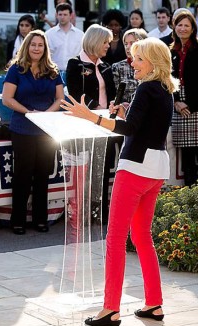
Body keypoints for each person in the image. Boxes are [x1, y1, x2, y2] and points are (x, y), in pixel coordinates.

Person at [61, 37, 179, 326]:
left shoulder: (146, 88)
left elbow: (130, 128)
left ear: (153, 61)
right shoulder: (165, 90)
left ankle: (110, 308)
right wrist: (125, 112)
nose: (133, 63)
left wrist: (91, 117)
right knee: (141, 237)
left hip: (135, 168)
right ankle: (154, 303)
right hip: (155, 168)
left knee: (115, 238)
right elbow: (142, 125)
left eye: (138, 58)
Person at [1, 30, 64, 235]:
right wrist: (30, 113)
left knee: (42, 175)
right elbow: (7, 99)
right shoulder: (16, 70)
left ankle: (40, 219)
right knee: (22, 175)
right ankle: (17, 220)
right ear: (26, 46)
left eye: (40, 45)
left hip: (46, 130)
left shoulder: (53, 71)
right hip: (23, 128)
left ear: (45, 48)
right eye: (33, 44)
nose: (37, 48)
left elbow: (60, 99)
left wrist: (45, 115)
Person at [66, 24, 117, 219]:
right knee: (86, 169)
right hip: (85, 124)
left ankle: (101, 211)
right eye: (105, 42)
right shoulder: (75, 64)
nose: (108, 46)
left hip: (105, 124)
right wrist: (95, 107)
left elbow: (111, 93)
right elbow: (75, 92)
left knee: (103, 168)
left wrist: (114, 104)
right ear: (95, 41)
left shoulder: (105, 66)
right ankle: (83, 211)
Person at [170, 10, 198, 186]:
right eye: (180, 25)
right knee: (187, 156)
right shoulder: (170, 50)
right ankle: (189, 194)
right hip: (178, 102)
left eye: (187, 25)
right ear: (175, 27)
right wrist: (176, 102)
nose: (183, 28)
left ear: (193, 28)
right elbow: (167, 78)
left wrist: (189, 104)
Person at [45, 3, 84, 72]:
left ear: (71, 16)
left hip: (74, 72)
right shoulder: (49, 34)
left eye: (65, 14)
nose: (62, 17)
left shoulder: (80, 35)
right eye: (60, 14)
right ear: (56, 15)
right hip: (54, 72)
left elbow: (83, 54)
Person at [113, 29, 148, 104]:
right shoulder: (117, 67)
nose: (128, 47)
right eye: (126, 44)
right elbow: (115, 96)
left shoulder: (151, 67)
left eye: (132, 43)